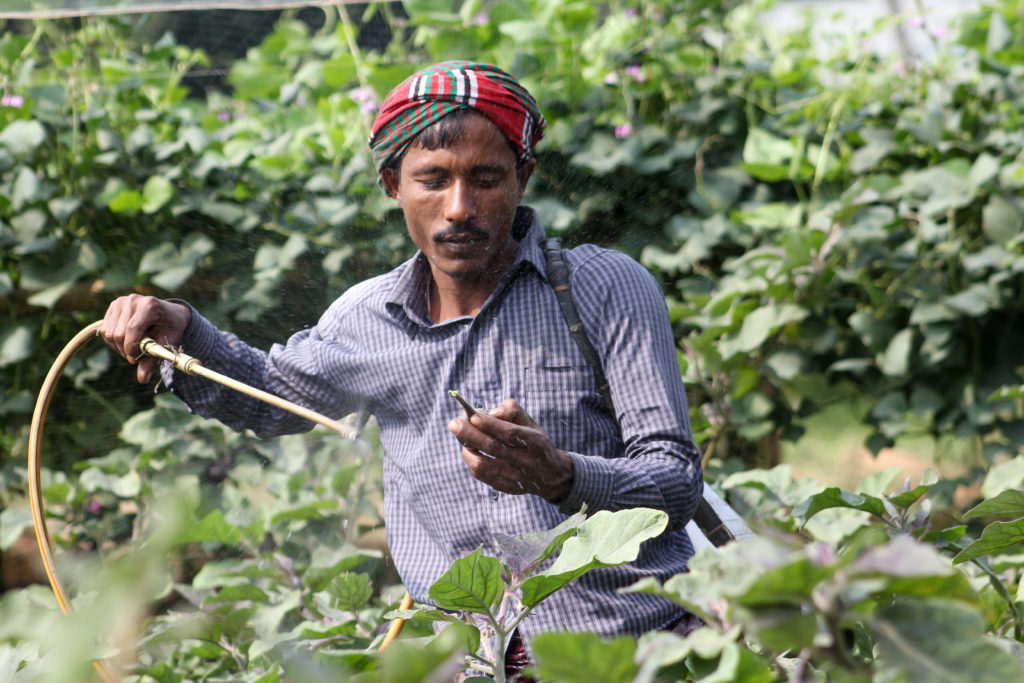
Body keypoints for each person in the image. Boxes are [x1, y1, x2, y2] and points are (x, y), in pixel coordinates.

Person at [99, 61, 703, 674]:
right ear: (393, 183)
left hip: (640, 652)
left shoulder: (602, 288)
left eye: (487, 178)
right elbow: (265, 395)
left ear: (524, 176)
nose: (460, 207)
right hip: (478, 664)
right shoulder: (368, 319)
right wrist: (181, 330)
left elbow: (675, 482)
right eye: (432, 180)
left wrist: (562, 475)